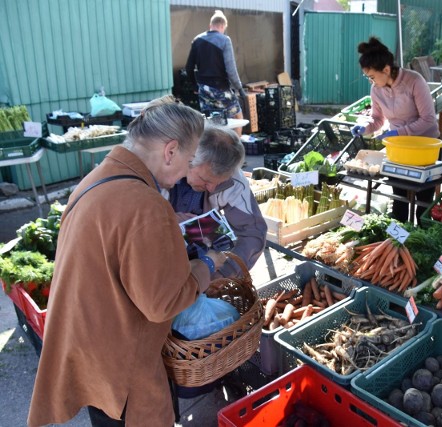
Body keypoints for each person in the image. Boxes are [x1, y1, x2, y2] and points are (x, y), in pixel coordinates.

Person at [27, 96, 227, 427]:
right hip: (122, 366)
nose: (184, 174)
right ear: (170, 151)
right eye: (189, 159)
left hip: (89, 352)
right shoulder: (145, 204)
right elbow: (163, 303)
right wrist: (207, 263)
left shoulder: (95, 179)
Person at [351, 37, 440, 223]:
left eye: (372, 76)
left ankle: (422, 242)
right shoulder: (376, 90)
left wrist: (398, 133)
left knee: (423, 205)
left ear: (386, 69)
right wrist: (365, 128)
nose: (371, 81)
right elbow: (377, 120)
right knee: (399, 202)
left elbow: (428, 120)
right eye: (368, 77)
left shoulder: (414, 81)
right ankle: (399, 243)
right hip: (398, 150)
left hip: (425, 149)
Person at [169, 123, 267, 279]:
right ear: (189, 160)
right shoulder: (161, 169)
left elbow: (252, 233)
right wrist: (167, 219)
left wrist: (222, 275)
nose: (212, 188)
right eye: (206, 180)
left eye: (219, 181)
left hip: (201, 252)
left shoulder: (233, 178)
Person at [185, 10, 246, 136]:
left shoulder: (197, 40)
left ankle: (213, 152)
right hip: (221, 89)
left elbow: (188, 67)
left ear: (210, 25)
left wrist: (195, 86)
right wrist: (239, 89)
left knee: (212, 123)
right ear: (223, 26)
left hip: (204, 90)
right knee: (238, 117)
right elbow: (231, 70)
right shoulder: (225, 40)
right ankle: (237, 150)